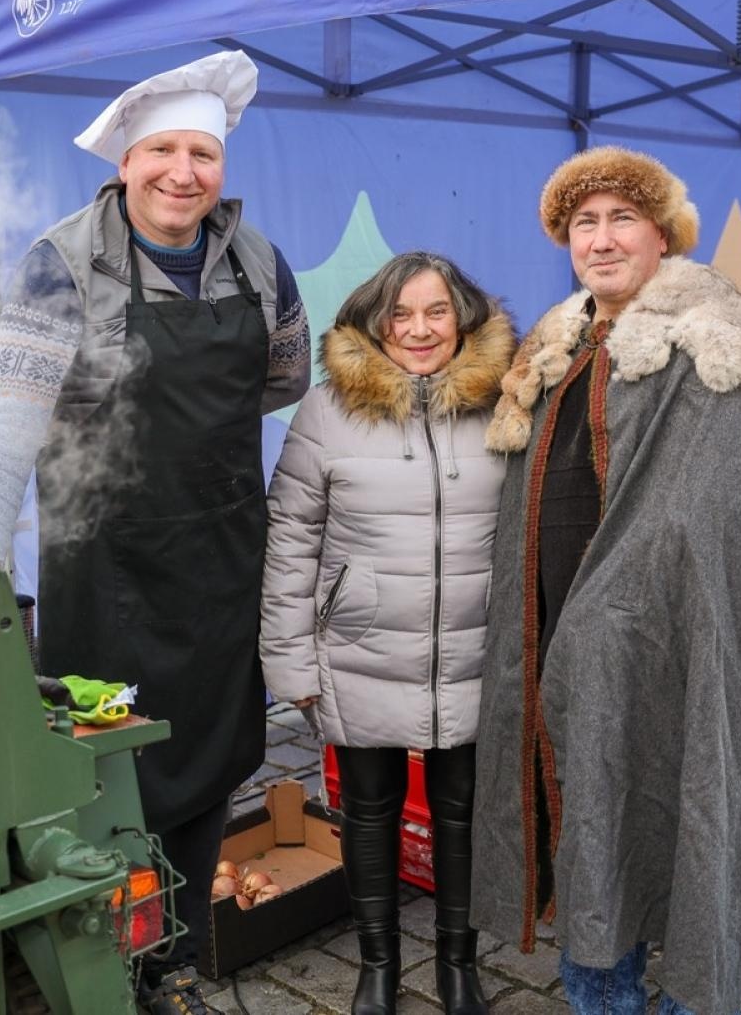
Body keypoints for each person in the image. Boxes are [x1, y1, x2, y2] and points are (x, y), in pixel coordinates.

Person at [0, 50, 310, 1015]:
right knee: (112, 775)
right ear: (125, 161)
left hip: (222, 561)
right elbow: (5, 427)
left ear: (222, 166)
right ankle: (108, 965)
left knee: (211, 761)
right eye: (162, 152)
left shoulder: (259, 262)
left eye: (203, 154)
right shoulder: (62, 265)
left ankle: (176, 962)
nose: (183, 173)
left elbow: (286, 378)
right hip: (107, 569)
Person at [469, 147, 741, 1014]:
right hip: (556, 624)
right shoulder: (555, 347)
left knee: (678, 790)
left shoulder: (720, 344)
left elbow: (719, 521)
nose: (601, 239)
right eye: (583, 223)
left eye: (622, 218)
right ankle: (604, 991)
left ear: (664, 234)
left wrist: (616, 610)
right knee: (590, 808)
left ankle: (691, 991)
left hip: (671, 633)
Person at [261, 253, 513, 1015]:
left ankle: (459, 967)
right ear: (374, 323)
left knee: (462, 810)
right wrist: (290, 660)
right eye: (400, 314)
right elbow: (291, 538)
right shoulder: (327, 412)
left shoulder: (505, 402)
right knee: (368, 810)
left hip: (473, 648)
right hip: (360, 650)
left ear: (463, 319)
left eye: (436, 312)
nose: (419, 329)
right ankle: (378, 967)